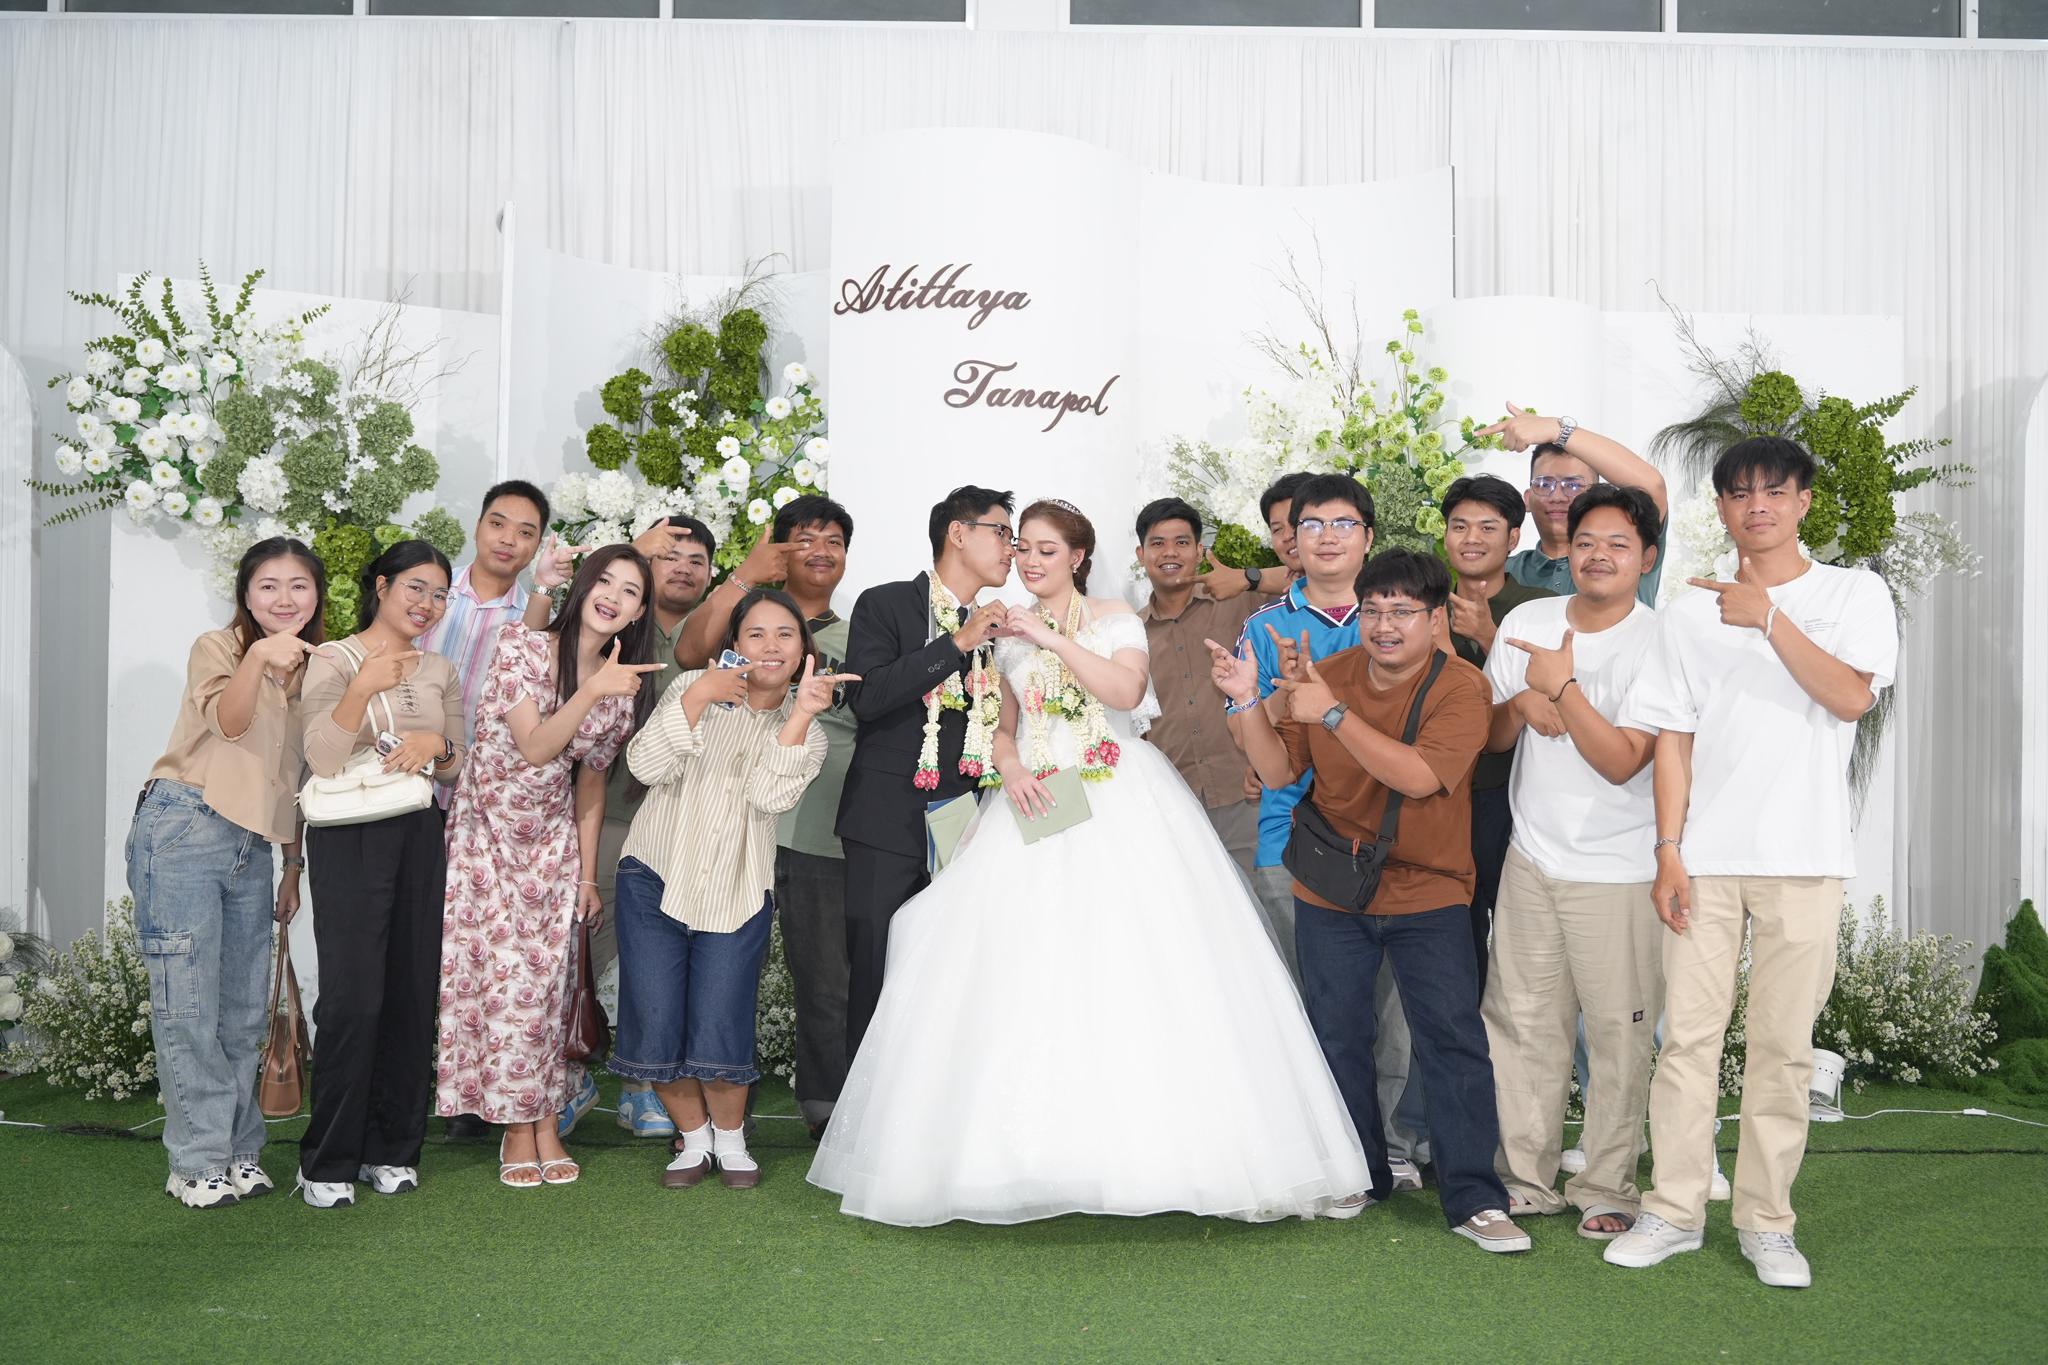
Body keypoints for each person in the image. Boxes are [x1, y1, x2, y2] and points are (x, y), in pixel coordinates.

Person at [810, 500, 1371, 1226]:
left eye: (1046, 549)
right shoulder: (1002, 631)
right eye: (1022, 548)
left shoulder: (1113, 617)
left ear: (1078, 557)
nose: (1030, 561)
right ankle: (1025, 1154)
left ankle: (1166, 1151)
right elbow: (1004, 725)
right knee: (1017, 962)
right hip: (1038, 798)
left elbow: (1125, 692)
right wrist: (1012, 768)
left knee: (1135, 960)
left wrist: (1047, 635)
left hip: (1116, 794)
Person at [1606, 437, 1897, 1289]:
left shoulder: (1852, 593)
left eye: (1774, 490)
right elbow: (1673, 740)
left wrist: (1769, 617)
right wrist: (1668, 850)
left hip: (1805, 858)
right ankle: (1674, 1209)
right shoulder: (1689, 611)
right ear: (1722, 507)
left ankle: (1768, 1221)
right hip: (1705, 859)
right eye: (1740, 493)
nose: (1757, 505)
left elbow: (1851, 696)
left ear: (1804, 500)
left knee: (1783, 1047)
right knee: (1687, 1042)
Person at [1222, 547, 1527, 1253]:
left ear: (1435, 617)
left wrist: (1332, 714)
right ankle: (1356, 1171)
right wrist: (1245, 702)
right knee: (1338, 1034)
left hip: (1430, 891)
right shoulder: (1329, 673)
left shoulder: (1462, 687)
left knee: (1450, 1039)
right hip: (1332, 887)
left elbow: (1419, 776)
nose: (1385, 625)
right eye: (1373, 610)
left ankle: (1474, 1196)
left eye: (1402, 611)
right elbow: (1277, 770)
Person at [435, 545, 661, 1189]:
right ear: (583, 586)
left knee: (546, 993)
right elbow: (535, 747)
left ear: (639, 612)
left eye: (630, 591)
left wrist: (587, 876)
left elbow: (590, 785)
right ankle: (517, 1127)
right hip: (487, 838)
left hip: (553, 848)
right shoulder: (522, 647)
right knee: (504, 987)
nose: (613, 596)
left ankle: (543, 1122)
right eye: (606, 581)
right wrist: (591, 689)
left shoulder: (619, 689)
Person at [1230, 473, 1429, 1190]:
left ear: (1368, 536)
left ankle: (1390, 1143)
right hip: (1292, 841)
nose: (1326, 538)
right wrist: (1279, 702)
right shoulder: (1264, 626)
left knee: (1394, 1009)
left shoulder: (1399, 617)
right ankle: (1322, 1149)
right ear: (1291, 538)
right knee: (1311, 1007)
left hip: (1393, 840)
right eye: (1310, 525)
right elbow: (1250, 738)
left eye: (1343, 524)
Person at [1479, 484, 1663, 1241]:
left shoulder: (1659, 641)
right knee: (1521, 1024)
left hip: (1621, 867)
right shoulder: (1526, 622)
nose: (1598, 555)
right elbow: (1491, 736)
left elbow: (1622, 761)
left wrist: (1560, 686)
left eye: (1619, 543)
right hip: (1531, 855)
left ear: (1647, 558)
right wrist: (1519, 705)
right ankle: (1526, 1178)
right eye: (1586, 540)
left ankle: (1608, 1184)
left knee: (1618, 1035)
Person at [614, 590, 841, 1190]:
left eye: (785, 634)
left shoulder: (809, 732)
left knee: (721, 1021)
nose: (770, 646)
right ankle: (694, 1141)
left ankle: (732, 1141)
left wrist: (800, 716)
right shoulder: (693, 686)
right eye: (756, 633)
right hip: (653, 876)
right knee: (657, 1019)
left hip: (738, 889)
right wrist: (695, 698)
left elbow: (769, 797)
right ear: (734, 643)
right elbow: (644, 768)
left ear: (803, 651)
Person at [129, 538, 324, 1208]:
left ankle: (240, 1150)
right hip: (183, 827)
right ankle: (196, 1162)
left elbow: (296, 779)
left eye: (298, 585)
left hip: (254, 847)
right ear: (245, 594)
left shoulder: (315, 670)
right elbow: (230, 722)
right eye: (268, 585)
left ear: (317, 595)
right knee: (187, 1006)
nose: (284, 599)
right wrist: (259, 656)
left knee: (242, 1014)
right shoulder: (219, 648)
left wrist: (292, 866)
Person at [530, 516, 717, 1140]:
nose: (683, 567)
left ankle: (642, 1086)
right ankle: (571, 1076)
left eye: (696, 559)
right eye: (669, 556)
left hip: (680, 826)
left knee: (654, 957)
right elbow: (537, 659)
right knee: (582, 949)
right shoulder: (607, 634)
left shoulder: (712, 631)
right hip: (606, 818)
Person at [296, 541, 468, 1208]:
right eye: (415, 587)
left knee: (409, 992)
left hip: (418, 830)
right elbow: (320, 757)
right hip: (348, 834)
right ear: (382, 586)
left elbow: (455, 764)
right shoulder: (334, 658)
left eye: (439, 593)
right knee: (353, 998)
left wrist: (437, 744)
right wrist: (363, 686)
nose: (427, 603)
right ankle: (327, 1158)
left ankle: (391, 1148)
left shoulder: (441, 668)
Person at [836, 485, 1016, 1060]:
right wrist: (958, 642)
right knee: (875, 966)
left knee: (951, 975)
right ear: (958, 533)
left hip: (967, 822)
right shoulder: (886, 604)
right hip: (886, 822)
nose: (1011, 549)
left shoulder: (1006, 628)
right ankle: (862, 1105)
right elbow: (869, 697)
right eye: (1001, 532)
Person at [1437, 474, 1557, 978]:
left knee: (1519, 935)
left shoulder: (1540, 607)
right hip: (1441, 794)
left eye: (1488, 527)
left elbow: (1552, 693)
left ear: (1513, 538)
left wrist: (1489, 636)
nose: (1472, 538)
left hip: (1514, 794)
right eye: (1459, 526)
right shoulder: (1424, 604)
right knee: (1454, 938)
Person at [1133, 497, 1274, 878]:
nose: (1170, 552)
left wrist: (1250, 576)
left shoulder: (1241, 602)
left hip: (1246, 791)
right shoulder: (1130, 633)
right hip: (1175, 803)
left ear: (1199, 551)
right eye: (1157, 543)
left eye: (1181, 542)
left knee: (1265, 905)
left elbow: (1305, 581)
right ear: (1141, 554)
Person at [1484, 405, 1669, 609]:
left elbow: (1653, 486)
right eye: (1544, 484)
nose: (1557, 497)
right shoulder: (1503, 570)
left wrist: (1557, 430)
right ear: (1527, 499)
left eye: (1572, 486)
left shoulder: (1621, 559)